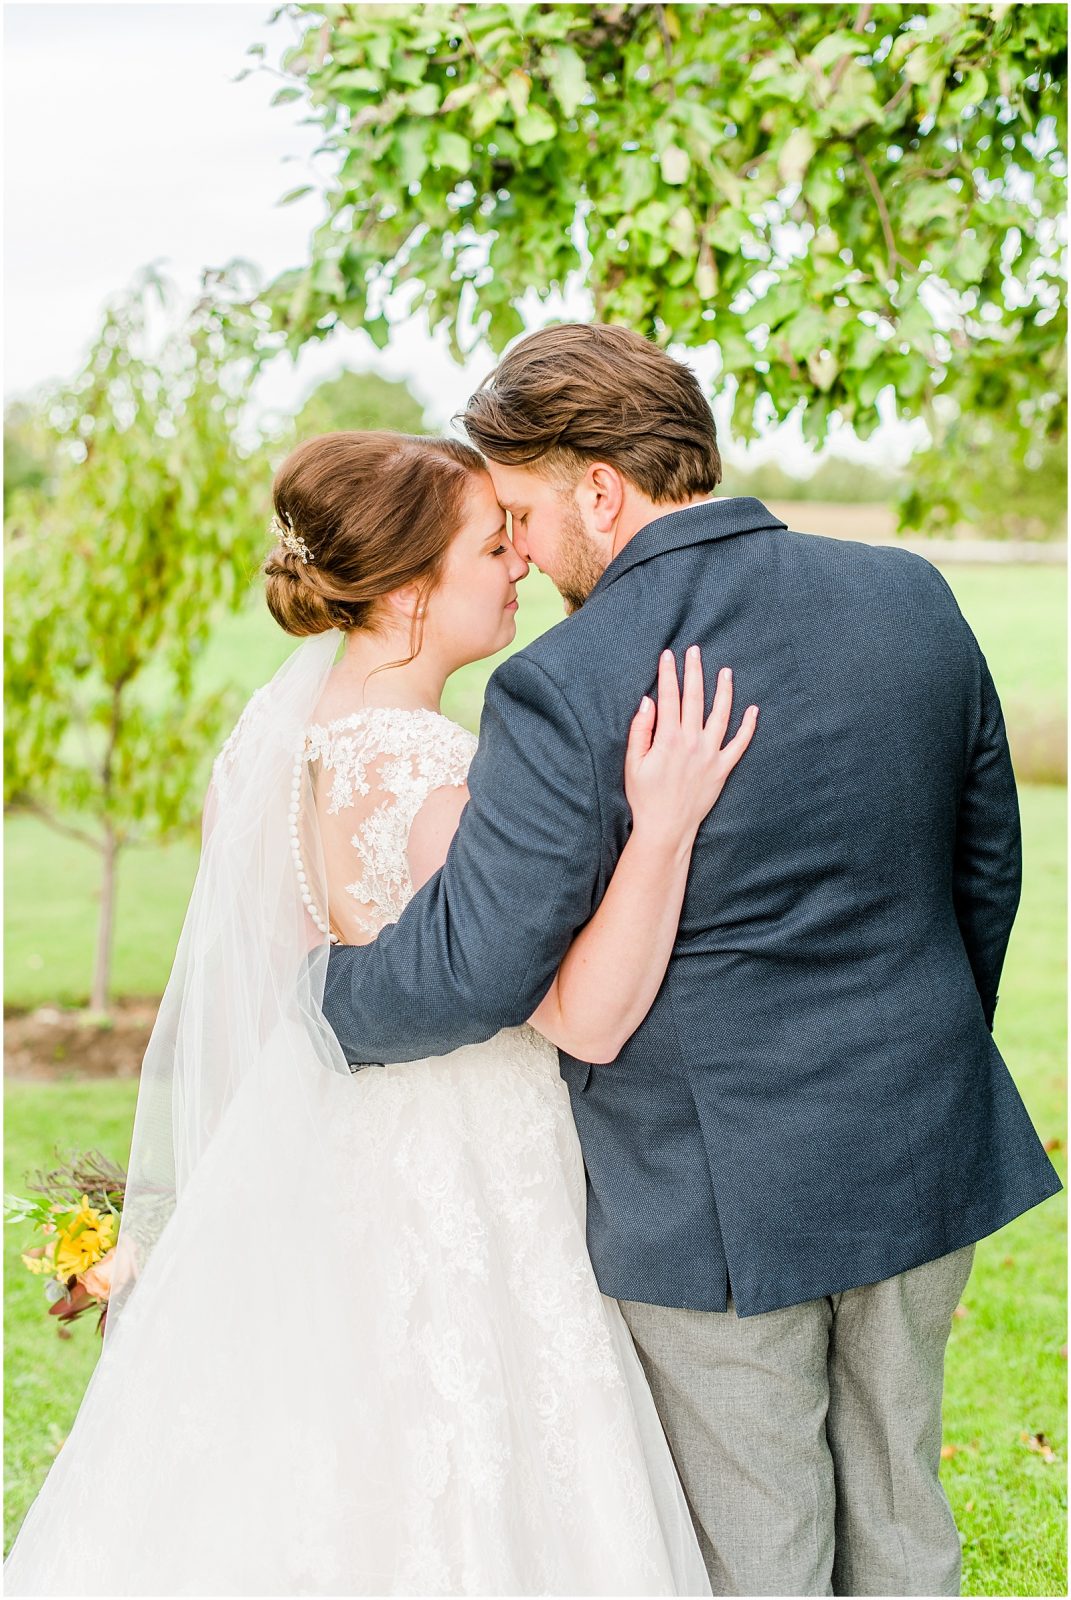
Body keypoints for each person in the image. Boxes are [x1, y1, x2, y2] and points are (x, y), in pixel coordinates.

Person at [320, 324, 1063, 1598]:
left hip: (714, 1194)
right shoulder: (910, 596)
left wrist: (316, 1000)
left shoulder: (568, 680)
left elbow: (475, 966)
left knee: (760, 1548)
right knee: (902, 1512)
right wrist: (922, 1047)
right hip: (921, 1138)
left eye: (525, 513)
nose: (528, 552)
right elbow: (982, 867)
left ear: (598, 490)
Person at [4, 427, 757, 1596]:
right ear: (410, 590)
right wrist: (662, 826)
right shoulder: (433, 783)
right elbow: (581, 1014)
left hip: (316, 1158)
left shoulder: (277, 749)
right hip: (463, 1171)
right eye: (488, 542)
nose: (518, 561)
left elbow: (264, 994)